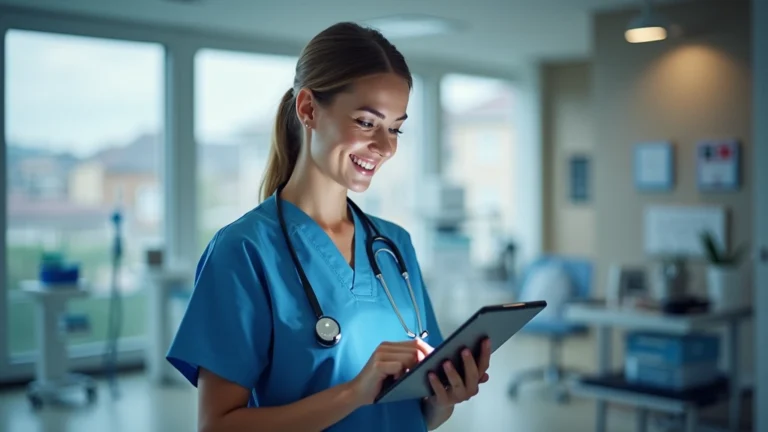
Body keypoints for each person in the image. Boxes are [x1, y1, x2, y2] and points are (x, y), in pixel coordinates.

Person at [166, 21, 492, 432]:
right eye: (366, 122)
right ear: (308, 110)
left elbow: (418, 415)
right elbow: (217, 425)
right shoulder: (244, 251)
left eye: (395, 128)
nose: (386, 147)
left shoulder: (394, 244)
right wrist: (353, 392)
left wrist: (444, 399)